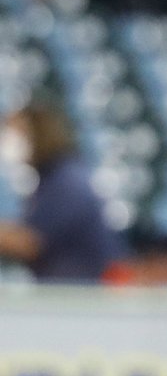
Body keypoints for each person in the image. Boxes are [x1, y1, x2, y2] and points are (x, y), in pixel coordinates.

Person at [0, 97, 122, 282]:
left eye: (15, 133)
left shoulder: (66, 181)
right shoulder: (51, 178)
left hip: (86, 290)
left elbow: (29, 243)